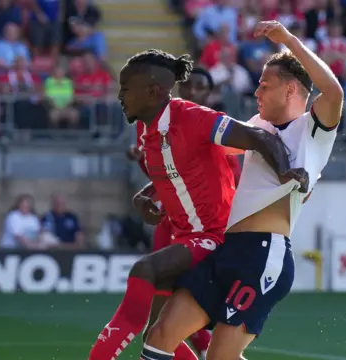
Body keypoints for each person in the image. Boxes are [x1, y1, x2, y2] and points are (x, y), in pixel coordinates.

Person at [89, 48, 308, 360]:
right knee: (160, 333)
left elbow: (259, 137)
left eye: (125, 89)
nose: (120, 95)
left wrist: (285, 171)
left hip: (215, 235)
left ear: (152, 92)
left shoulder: (195, 118)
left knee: (145, 272)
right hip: (184, 233)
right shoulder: (149, 130)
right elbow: (177, 173)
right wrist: (145, 197)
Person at [141, 20, 341, 360]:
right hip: (227, 248)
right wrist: (158, 189)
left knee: (220, 356)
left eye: (265, 84)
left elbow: (333, 90)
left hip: (262, 255)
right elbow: (204, 157)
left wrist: (289, 41)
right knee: (159, 334)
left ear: (291, 90)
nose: (257, 92)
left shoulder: (314, 129)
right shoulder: (257, 127)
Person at [125, 67, 242, 359]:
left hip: (210, 229)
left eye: (200, 87)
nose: (192, 92)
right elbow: (166, 178)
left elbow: (232, 180)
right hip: (173, 224)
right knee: (161, 320)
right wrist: (143, 164)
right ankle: (202, 351)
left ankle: (206, 350)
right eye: (188, 86)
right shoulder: (162, 124)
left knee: (189, 305)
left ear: (209, 93)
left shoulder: (216, 128)